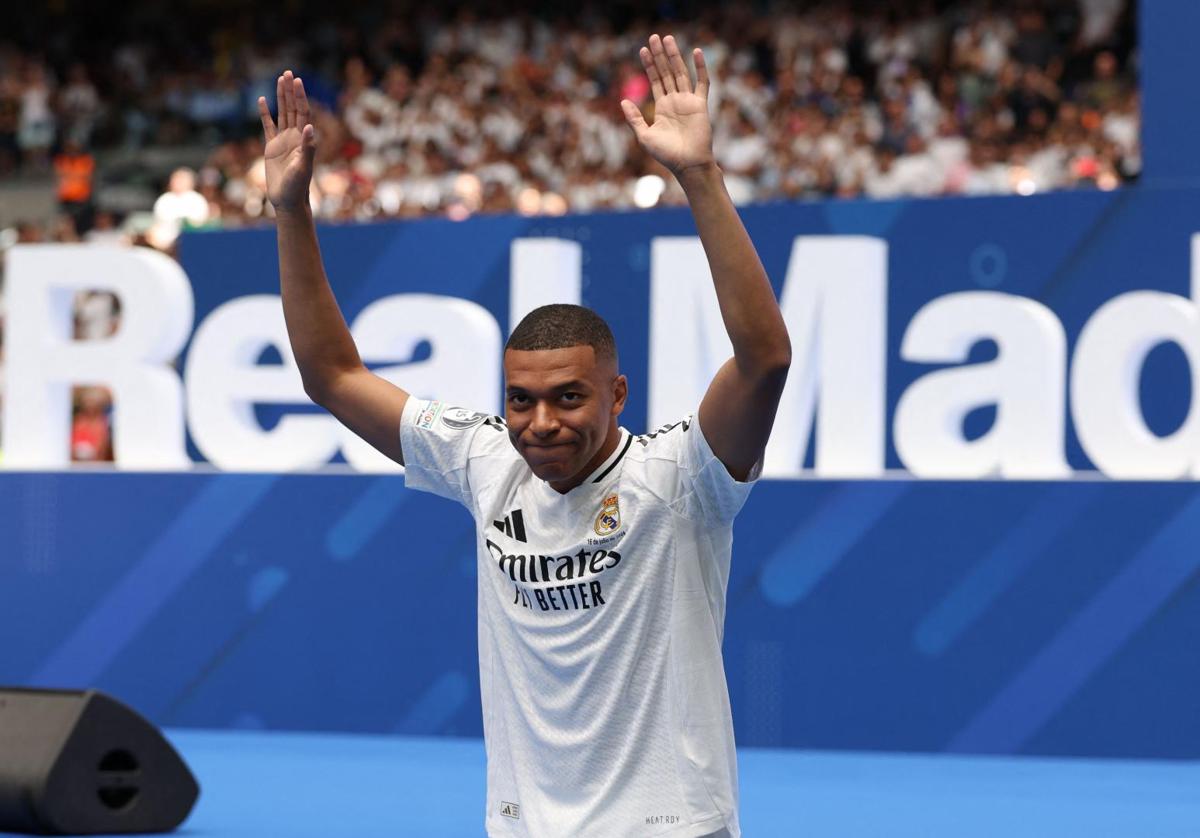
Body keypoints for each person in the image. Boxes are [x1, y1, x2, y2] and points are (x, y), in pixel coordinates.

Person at [259, 33, 791, 838]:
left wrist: (699, 176)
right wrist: (291, 210)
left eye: (569, 398)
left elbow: (765, 358)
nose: (541, 424)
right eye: (521, 400)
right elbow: (331, 376)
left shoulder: (681, 475)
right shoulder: (482, 460)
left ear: (617, 394)